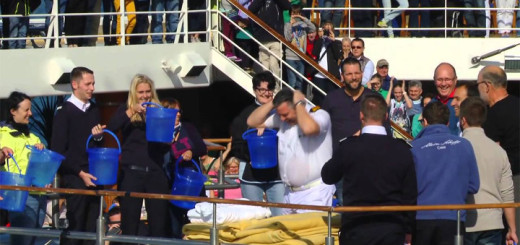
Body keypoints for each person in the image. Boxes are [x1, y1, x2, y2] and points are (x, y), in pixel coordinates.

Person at [321, 94, 416, 245]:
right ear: (386, 116)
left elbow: (327, 175)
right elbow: (410, 195)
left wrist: (349, 143)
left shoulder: (349, 147)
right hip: (391, 228)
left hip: (356, 228)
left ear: (361, 116)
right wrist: (409, 228)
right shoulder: (402, 149)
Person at [247, 88, 335, 214]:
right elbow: (252, 121)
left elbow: (309, 129)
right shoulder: (283, 120)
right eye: (280, 114)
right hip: (289, 194)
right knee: (287, 233)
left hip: (315, 192)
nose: (282, 119)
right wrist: (275, 102)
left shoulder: (319, 115)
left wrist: (299, 103)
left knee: (310, 233)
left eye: (285, 114)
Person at [107, 74, 171, 241]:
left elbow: (165, 145)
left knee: (158, 226)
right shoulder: (125, 110)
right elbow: (112, 127)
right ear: (134, 93)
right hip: (131, 174)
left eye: (148, 91)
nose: (145, 95)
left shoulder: (159, 111)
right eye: (141, 92)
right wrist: (132, 110)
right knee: (130, 225)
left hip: (155, 172)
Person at [411, 101, 480, 245]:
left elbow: (408, 187)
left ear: (424, 121)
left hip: (422, 218)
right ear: (448, 122)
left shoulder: (414, 147)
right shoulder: (464, 145)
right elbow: (474, 185)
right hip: (453, 217)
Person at [51, 66, 104, 245]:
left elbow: (97, 145)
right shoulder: (64, 113)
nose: (92, 88)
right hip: (75, 177)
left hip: (94, 176)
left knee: (92, 230)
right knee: (75, 229)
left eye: (93, 84)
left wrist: (99, 137)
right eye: (88, 84)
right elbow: (58, 151)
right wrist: (80, 173)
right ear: (75, 84)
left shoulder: (94, 109)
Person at [460, 97, 518, 245]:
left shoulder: (456, 148)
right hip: (493, 222)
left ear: (463, 120)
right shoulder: (499, 151)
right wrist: (512, 229)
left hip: (464, 221)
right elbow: (507, 193)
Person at [229, 71, 284, 216]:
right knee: (253, 217)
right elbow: (237, 144)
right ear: (255, 90)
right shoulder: (244, 115)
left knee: (281, 216)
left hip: (277, 175)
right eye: (261, 89)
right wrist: (250, 157)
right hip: (251, 176)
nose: (266, 93)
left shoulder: (282, 113)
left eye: (269, 89)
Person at [477, 65, 520, 236]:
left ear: (487, 86)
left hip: (510, 184)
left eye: (477, 84)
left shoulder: (492, 116)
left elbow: (492, 156)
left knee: (512, 233)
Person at [0, 92, 47, 245]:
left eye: (30, 109)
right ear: (13, 111)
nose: (30, 113)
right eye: (26, 110)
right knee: (23, 241)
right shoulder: (2, 134)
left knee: (35, 240)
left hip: (38, 194)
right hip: (18, 195)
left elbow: (43, 165)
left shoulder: (33, 137)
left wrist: (42, 152)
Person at [160, 97, 207, 238]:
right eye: (174, 111)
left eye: (179, 111)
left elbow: (201, 147)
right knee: (174, 228)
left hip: (190, 184)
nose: (178, 114)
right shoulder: (160, 130)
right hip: (171, 186)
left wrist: (191, 152)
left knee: (194, 225)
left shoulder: (188, 127)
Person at [249, 0, 291, 79]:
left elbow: (287, 6)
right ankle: (267, 86)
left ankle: (276, 87)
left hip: (275, 37)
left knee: (273, 63)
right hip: (262, 37)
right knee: (265, 66)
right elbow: (251, 9)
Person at [284, 4, 315, 91]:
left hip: (301, 56)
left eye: (298, 13)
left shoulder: (303, 25)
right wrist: (291, 25)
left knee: (300, 81)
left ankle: (299, 102)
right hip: (290, 57)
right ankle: (292, 102)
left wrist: (303, 19)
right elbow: (288, 38)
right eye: (294, 13)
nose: (295, 15)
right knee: (292, 81)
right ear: (290, 14)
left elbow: (313, 28)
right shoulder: (287, 25)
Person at [311, 21, 342, 104]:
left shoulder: (337, 43)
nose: (327, 31)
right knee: (319, 99)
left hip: (331, 75)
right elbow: (314, 53)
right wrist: (321, 39)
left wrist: (333, 41)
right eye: (325, 29)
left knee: (332, 99)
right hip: (319, 75)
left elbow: (338, 56)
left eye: (329, 29)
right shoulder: (319, 41)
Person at [432, 62, 460, 136]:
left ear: (455, 80)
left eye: (447, 79)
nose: (443, 84)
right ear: (434, 80)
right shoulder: (431, 104)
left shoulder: (463, 103)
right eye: (440, 79)